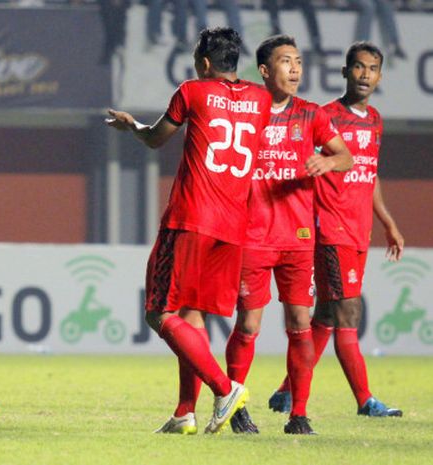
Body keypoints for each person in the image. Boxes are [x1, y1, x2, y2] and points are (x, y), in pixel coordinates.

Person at [106, 27, 272, 435]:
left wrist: (132, 126)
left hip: (192, 218)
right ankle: (184, 412)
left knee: (158, 312)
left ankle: (223, 388)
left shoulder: (193, 91)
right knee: (191, 314)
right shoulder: (261, 99)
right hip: (232, 227)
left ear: (204, 63)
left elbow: (155, 139)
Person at [268, 41, 405, 418]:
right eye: (357, 67)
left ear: (379, 76)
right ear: (344, 72)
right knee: (348, 315)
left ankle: (286, 389)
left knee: (326, 317)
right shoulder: (324, 117)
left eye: (372, 69)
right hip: (331, 230)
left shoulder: (375, 120)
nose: (364, 75)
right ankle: (365, 401)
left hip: (360, 232)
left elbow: (368, 174)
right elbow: (302, 163)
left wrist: (388, 222)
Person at [224, 35, 353, 436]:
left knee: (300, 323)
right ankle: (236, 406)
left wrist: (327, 160)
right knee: (248, 326)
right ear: (265, 71)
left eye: (298, 61)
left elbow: (346, 156)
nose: (295, 69)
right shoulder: (248, 111)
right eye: (285, 61)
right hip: (252, 237)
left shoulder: (311, 114)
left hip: (298, 239)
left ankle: (299, 414)